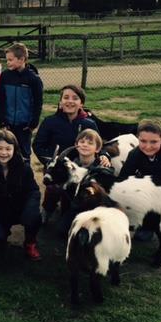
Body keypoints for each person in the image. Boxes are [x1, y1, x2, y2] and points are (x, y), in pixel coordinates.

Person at [32, 85, 104, 223]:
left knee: (79, 193)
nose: (70, 101)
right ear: (60, 102)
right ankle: (48, 208)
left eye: (75, 98)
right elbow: (38, 145)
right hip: (57, 167)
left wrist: (104, 155)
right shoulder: (50, 122)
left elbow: (99, 144)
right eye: (66, 97)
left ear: (81, 103)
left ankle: (73, 211)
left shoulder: (89, 124)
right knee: (54, 188)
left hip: (81, 167)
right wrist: (50, 161)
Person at [0, 129, 42, 260]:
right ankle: (1, 238)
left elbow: (34, 191)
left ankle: (30, 242)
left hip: (21, 208)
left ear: (15, 149)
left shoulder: (24, 167)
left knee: (34, 218)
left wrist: (30, 210)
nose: (3, 153)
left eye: (8, 149)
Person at [56, 129, 113, 236]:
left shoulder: (102, 168)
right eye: (82, 142)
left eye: (90, 143)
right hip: (74, 206)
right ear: (76, 145)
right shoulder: (70, 165)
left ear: (98, 149)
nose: (85, 145)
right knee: (62, 231)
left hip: (95, 209)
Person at [0, 43, 43, 159]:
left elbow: (38, 103)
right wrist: (2, 121)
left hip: (24, 126)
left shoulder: (33, 79)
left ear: (21, 59)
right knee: (8, 152)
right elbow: (0, 100)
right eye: (7, 60)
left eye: (10, 60)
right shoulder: (5, 76)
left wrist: (33, 122)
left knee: (24, 154)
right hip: (8, 124)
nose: (8, 63)